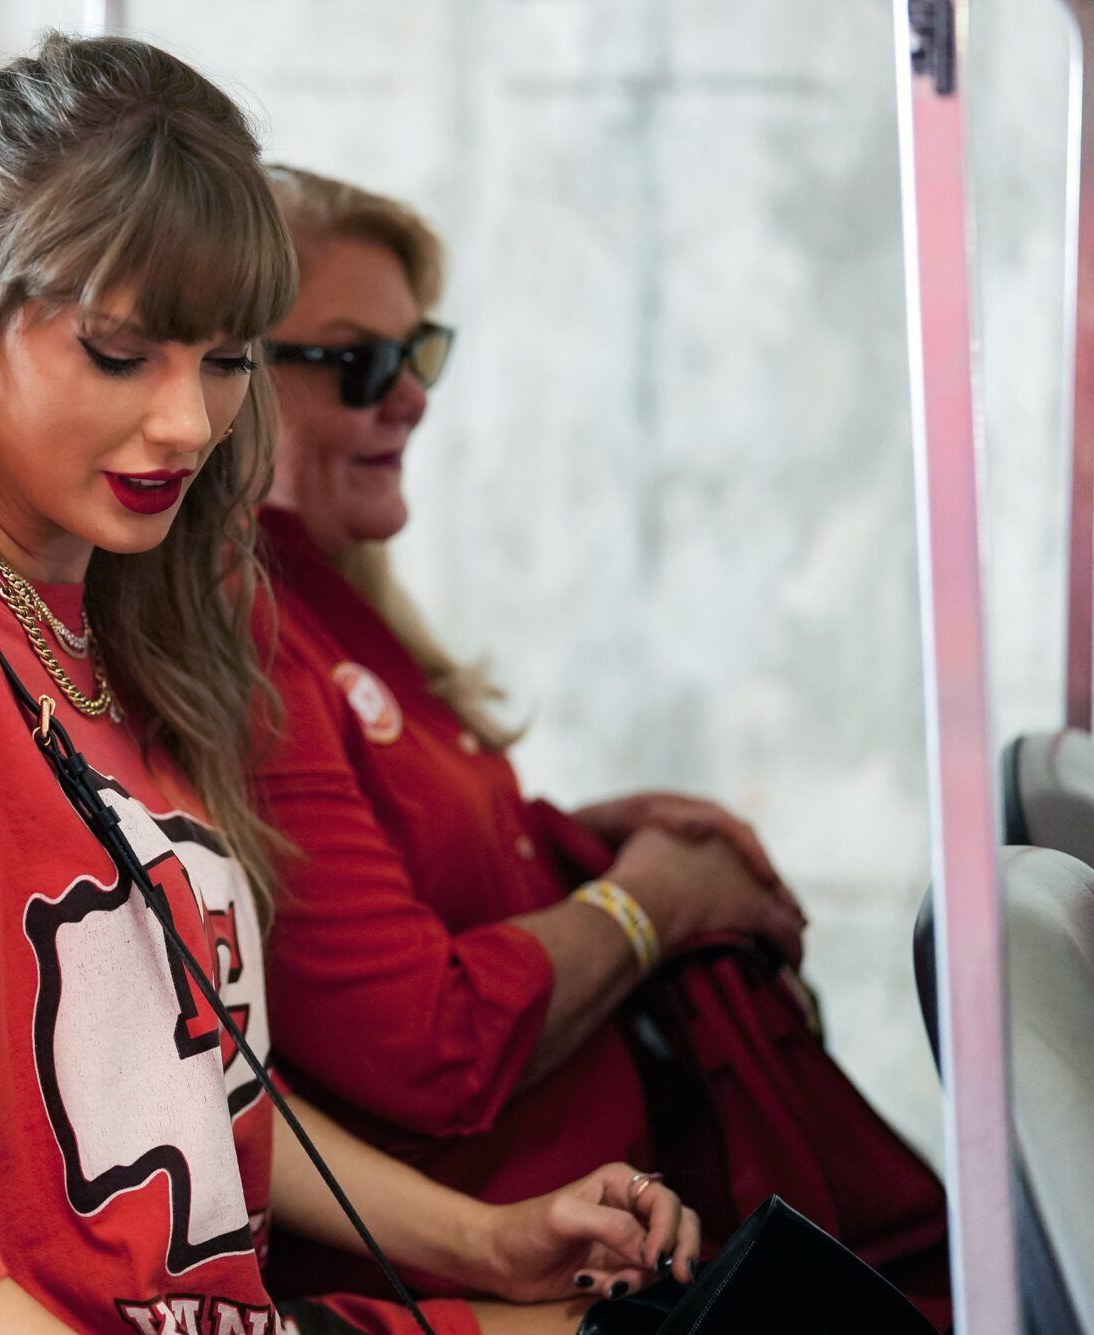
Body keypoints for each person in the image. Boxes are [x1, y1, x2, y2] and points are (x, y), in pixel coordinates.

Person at [0, 36, 696, 1335]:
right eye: (120, 350)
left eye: (223, 359)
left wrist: (488, 1239)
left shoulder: (99, 625)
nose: (189, 426)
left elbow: (170, 1076)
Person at [246, 166, 831, 1301]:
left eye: (421, 355)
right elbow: (427, 1041)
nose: (409, 396)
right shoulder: (257, 637)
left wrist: (567, 836)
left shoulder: (327, 602)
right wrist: (650, 901)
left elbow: (407, 866)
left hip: (584, 1247)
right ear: (227, 374)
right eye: (362, 363)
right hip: (480, 1285)